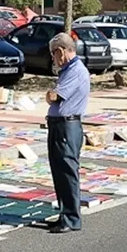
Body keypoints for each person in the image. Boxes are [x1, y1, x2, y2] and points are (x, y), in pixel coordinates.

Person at [45, 33, 90, 234]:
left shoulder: (76, 71)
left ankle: (72, 218)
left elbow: (55, 95)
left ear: (61, 51)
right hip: (59, 125)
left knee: (67, 171)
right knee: (59, 172)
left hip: (67, 126)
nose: (53, 59)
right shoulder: (67, 70)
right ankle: (65, 213)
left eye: (53, 54)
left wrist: (50, 94)